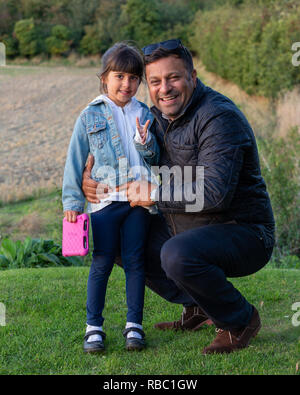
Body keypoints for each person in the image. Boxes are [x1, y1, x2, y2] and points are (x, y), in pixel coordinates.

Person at [82, 39, 275, 354]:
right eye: (155, 81)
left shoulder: (218, 117)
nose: (164, 88)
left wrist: (154, 194)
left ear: (193, 77)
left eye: (173, 78)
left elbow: (214, 192)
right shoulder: (155, 118)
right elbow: (131, 162)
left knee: (177, 253)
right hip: (189, 226)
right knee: (116, 238)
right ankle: (199, 306)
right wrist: (90, 181)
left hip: (244, 230)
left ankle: (239, 319)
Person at [62, 43, 160, 353]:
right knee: (102, 262)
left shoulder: (144, 113)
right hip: (104, 202)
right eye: (119, 76)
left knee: (135, 262)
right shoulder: (89, 115)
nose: (126, 85)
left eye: (134, 78)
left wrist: (144, 142)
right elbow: (75, 160)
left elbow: (154, 156)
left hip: (137, 203)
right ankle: (94, 327)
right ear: (105, 77)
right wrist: (72, 203)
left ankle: (135, 325)